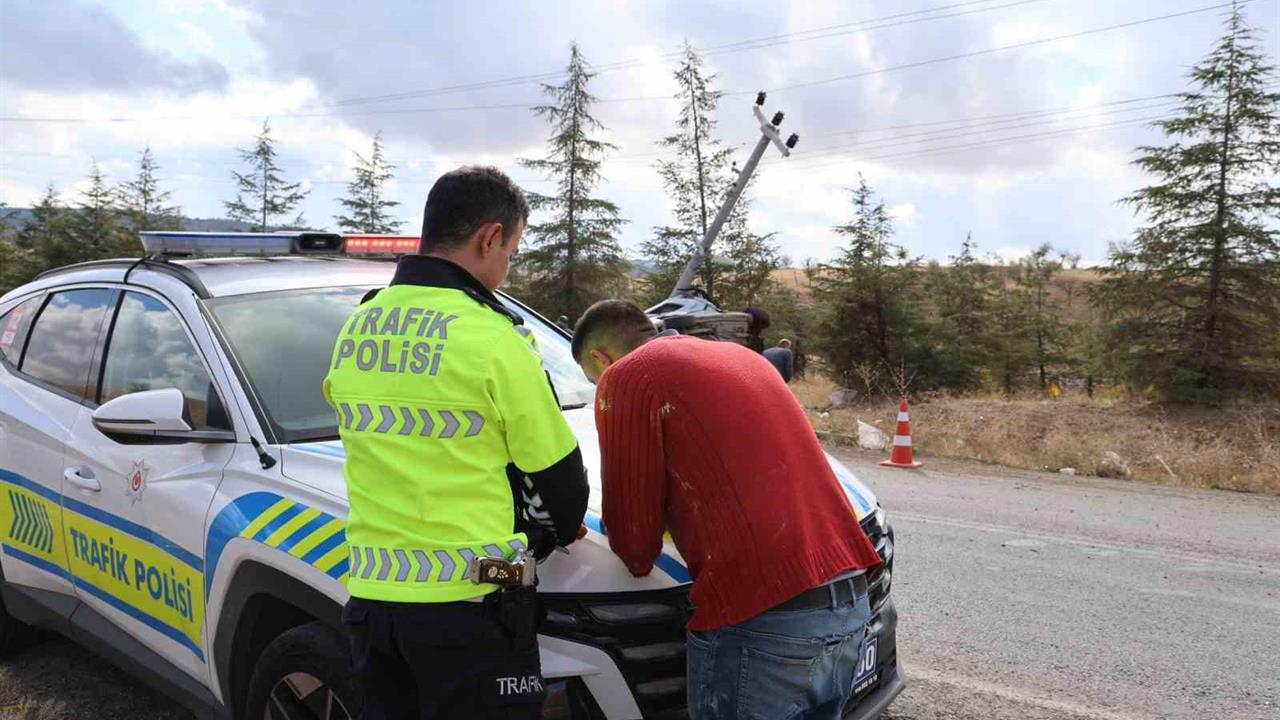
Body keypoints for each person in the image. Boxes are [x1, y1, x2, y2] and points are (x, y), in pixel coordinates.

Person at [324, 166, 588, 719]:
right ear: (489, 237)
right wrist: (560, 529)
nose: (507, 267)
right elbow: (559, 477)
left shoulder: (360, 325)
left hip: (374, 601)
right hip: (477, 599)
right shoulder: (493, 336)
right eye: (511, 251)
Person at [571, 300, 883, 720]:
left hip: (767, 621)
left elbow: (634, 545)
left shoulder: (630, 374)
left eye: (595, 381)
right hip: (849, 602)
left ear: (600, 359)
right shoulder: (739, 357)